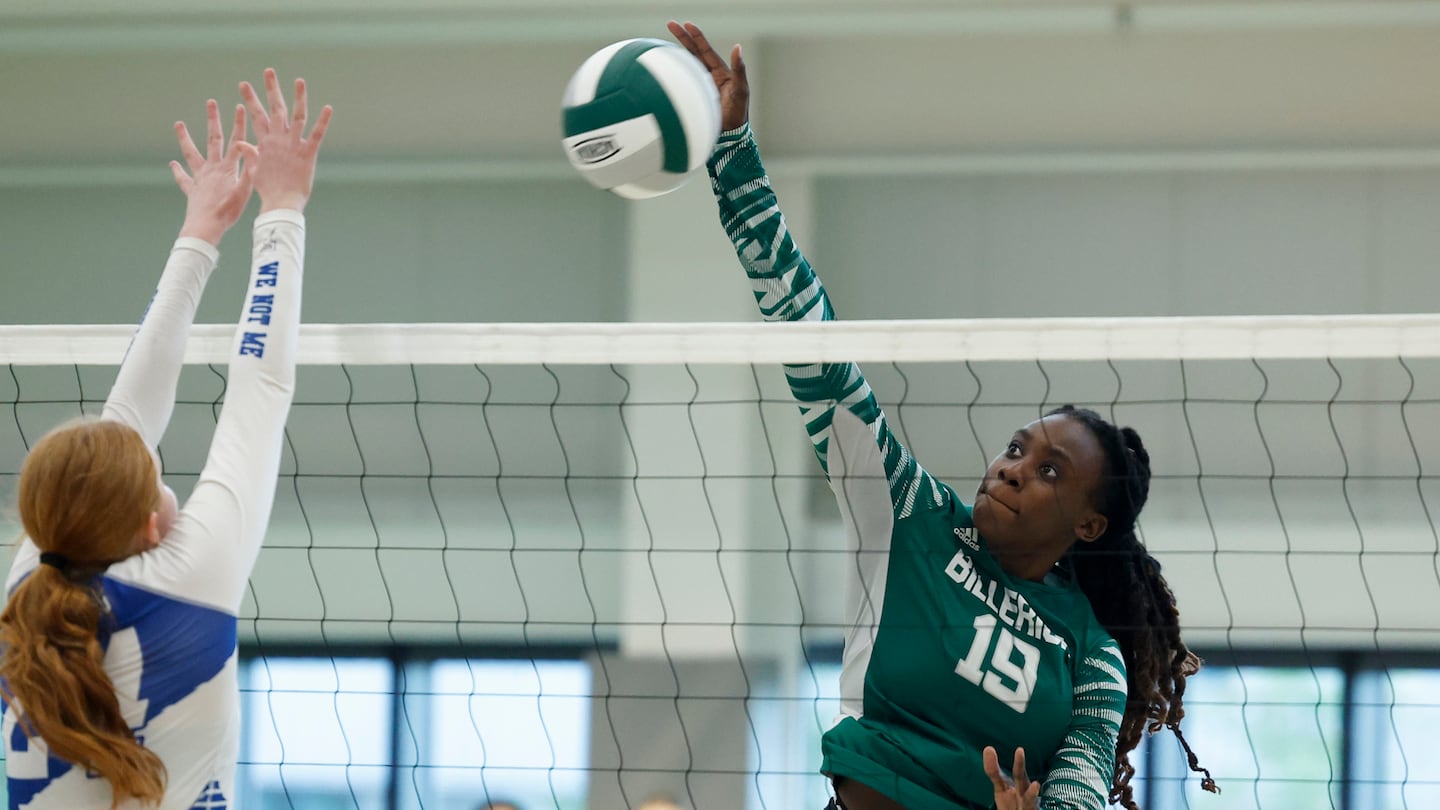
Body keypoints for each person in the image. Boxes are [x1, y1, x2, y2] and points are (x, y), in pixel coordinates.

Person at [666, 21, 1218, 810]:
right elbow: (814, 345)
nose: (1013, 469)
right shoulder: (909, 513)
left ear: (1089, 524)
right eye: (1018, 449)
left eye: (1050, 471)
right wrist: (735, 160)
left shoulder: (1090, 654)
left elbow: (1084, 785)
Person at [1, 69, 330, 808]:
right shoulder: (188, 584)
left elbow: (129, 414)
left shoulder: (34, 587)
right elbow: (260, 389)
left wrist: (202, 231)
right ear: (150, 524)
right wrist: (279, 211)